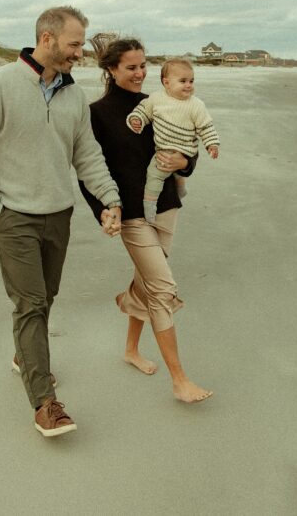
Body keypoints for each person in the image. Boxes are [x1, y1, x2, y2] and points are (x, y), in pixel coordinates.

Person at [0, 6, 123, 438]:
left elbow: (86, 154)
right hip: (12, 216)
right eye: (73, 44)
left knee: (45, 296)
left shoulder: (73, 96)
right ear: (46, 39)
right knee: (30, 303)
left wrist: (109, 199)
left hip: (58, 215)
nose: (80, 53)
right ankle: (44, 402)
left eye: (81, 44)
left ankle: (24, 356)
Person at [79, 34, 213, 403]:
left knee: (148, 279)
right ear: (111, 69)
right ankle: (179, 380)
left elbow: (189, 147)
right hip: (132, 215)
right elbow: (88, 169)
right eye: (131, 67)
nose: (140, 73)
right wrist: (104, 210)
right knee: (163, 288)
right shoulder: (96, 114)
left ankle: (131, 350)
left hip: (167, 205)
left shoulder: (160, 103)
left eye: (143, 66)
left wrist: (185, 162)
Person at [127, 59, 220, 223]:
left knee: (155, 175)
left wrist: (211, 143)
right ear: (166, 82)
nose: (189, 85)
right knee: (157, 175)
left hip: (184, 150)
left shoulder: (196, 105)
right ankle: (166, 196)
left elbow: (205, 126)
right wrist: (137, 119)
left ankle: (149, 207)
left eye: (191, 81)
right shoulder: (156, 98)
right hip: (164, 149)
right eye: (183, 81)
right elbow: (143, 110)